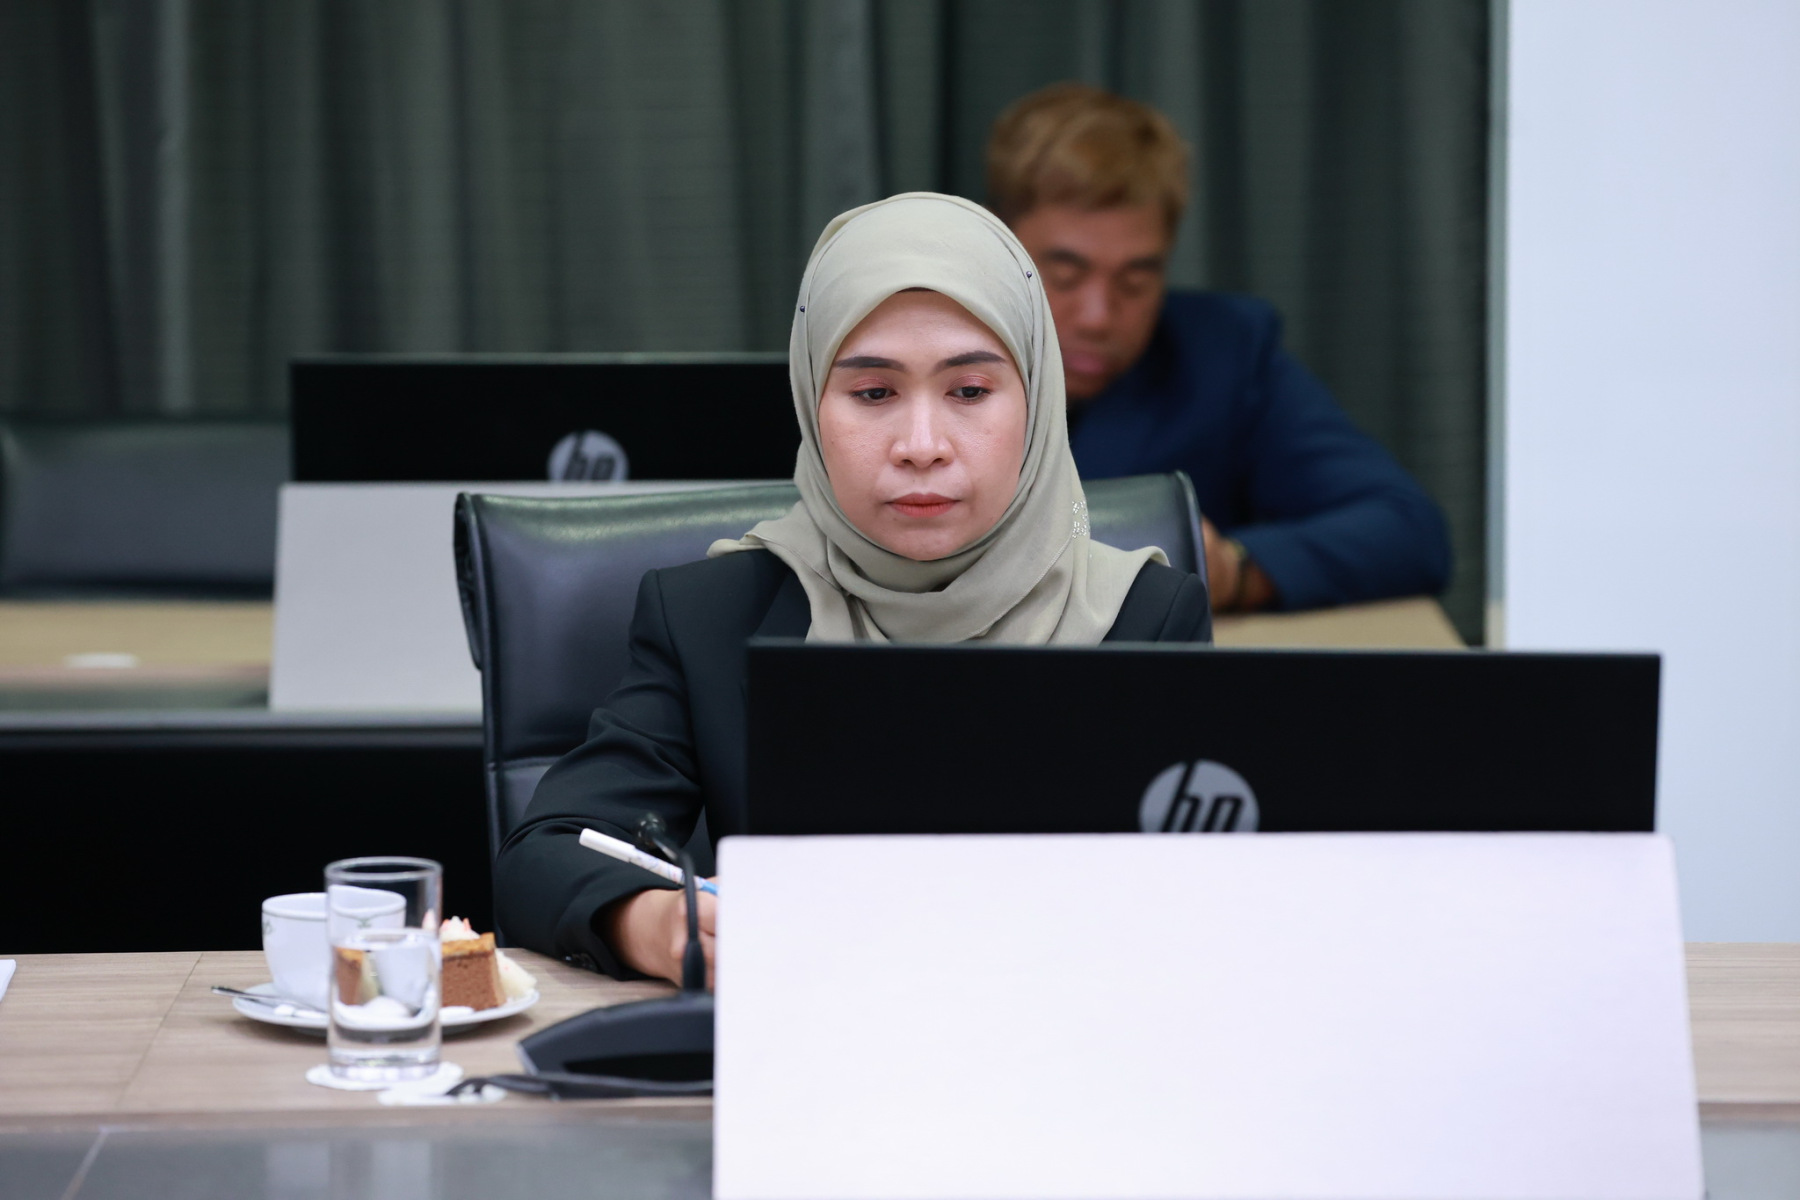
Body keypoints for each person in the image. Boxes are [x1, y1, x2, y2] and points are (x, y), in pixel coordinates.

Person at [494, 193, 1211, 983]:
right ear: (812, 401)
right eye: (873, 394)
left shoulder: (1143, 617)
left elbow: (1213, 899)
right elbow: (544, 856)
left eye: (970, 391)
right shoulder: (712, 617)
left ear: (1037, 400)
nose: (921, 445)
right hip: (805, 1032)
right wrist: (655, 925)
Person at [988, 83, 1453, 613]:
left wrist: (1233, 571)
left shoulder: (1223, 353)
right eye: (1065, 275)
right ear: (999, 242)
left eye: (1135, 281)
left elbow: (1408, 530)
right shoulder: (925, 356)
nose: (1098, 316)